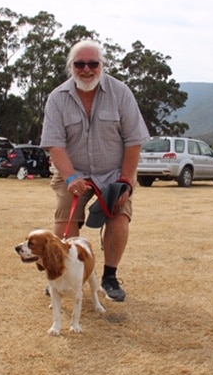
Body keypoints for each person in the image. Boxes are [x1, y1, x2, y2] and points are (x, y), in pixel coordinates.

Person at [40, 40, 150, 301]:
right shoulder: (57, 98)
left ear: (102, 65)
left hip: (113, 171)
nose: (86, 69)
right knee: (65, 217)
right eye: (80, 64)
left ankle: (110, 278)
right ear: (71, 66)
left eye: (93, 63)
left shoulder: (121, 93)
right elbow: (55, 144)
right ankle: (64, 273)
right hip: (72, 170)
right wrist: (70, 176)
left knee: (120, 216)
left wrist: (126, 180)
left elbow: (134, 141)